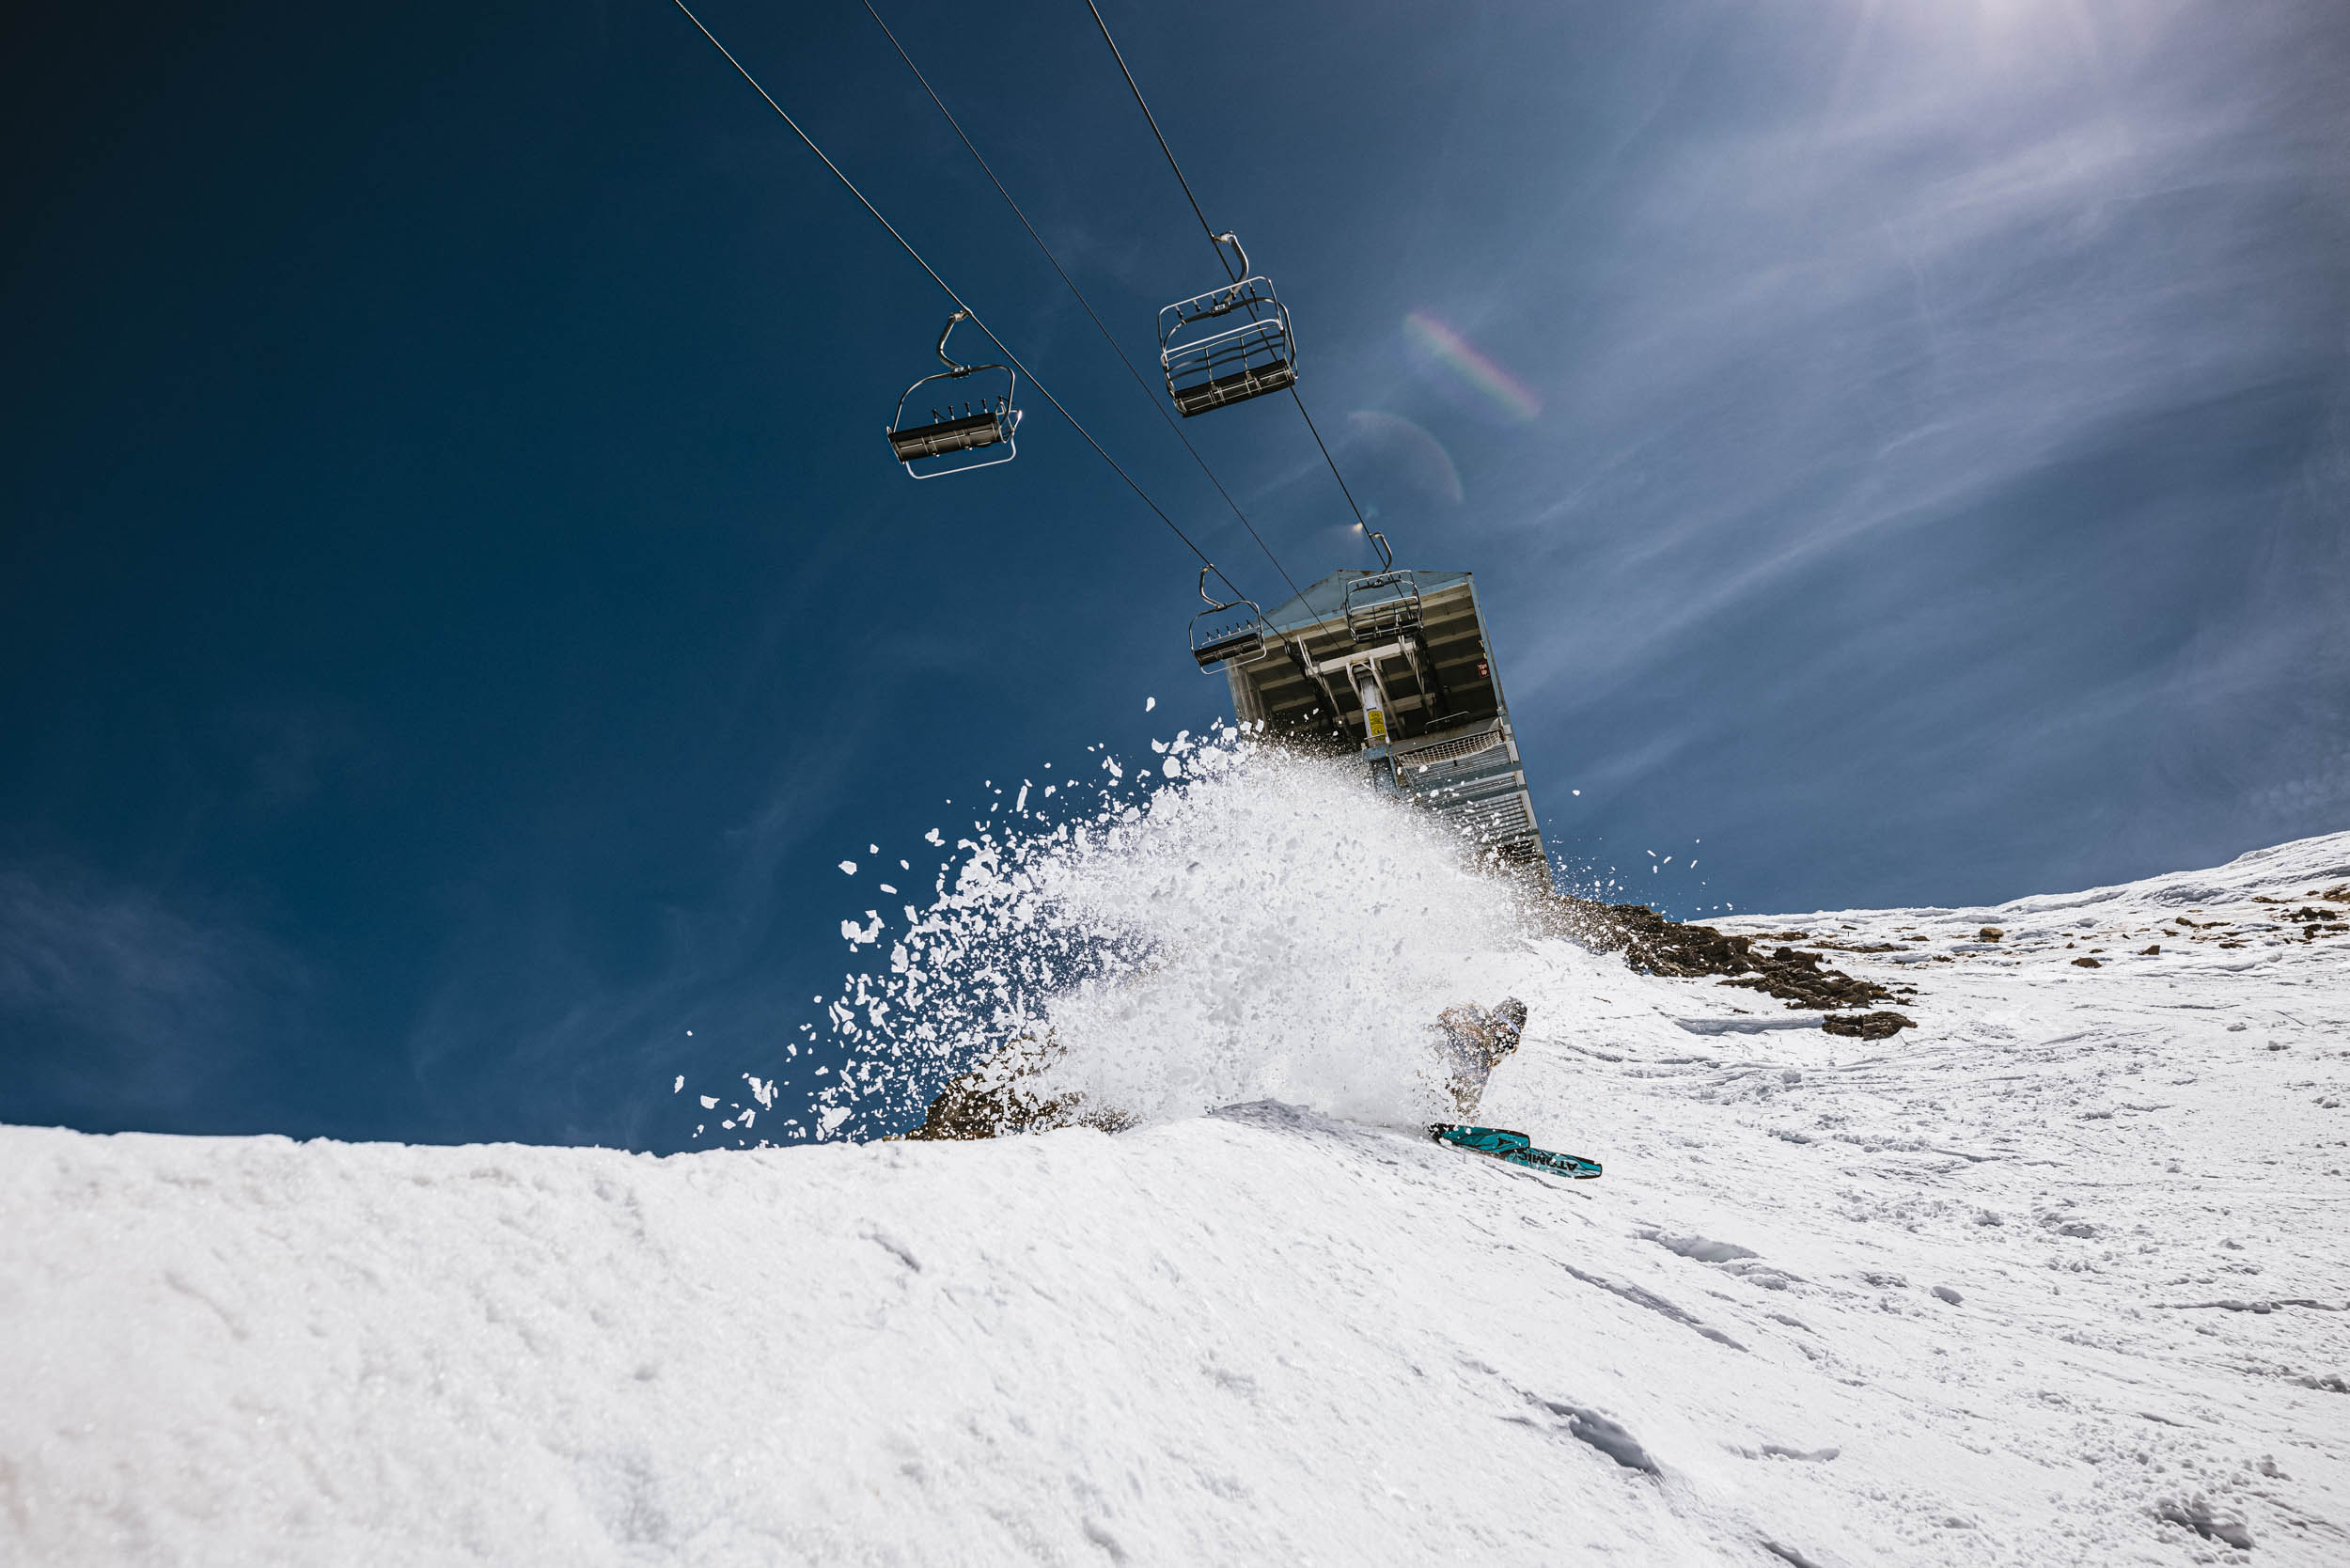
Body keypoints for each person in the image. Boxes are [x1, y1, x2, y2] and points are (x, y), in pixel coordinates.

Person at [1434, 997, 1528, 1118]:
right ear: (1495, 1016)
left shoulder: (1502, 1045)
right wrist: (1471, 1031)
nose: (1503, 1028)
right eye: (1501, 1021)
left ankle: (1462, 1113)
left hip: (1458, 1070)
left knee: (1472, 1083)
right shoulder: (1478, 1014)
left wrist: (1471, 1109)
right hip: (1437, 1048)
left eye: (1510, 1028)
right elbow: (1449, 1013)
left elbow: (1483, 1073)